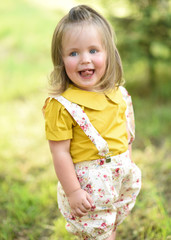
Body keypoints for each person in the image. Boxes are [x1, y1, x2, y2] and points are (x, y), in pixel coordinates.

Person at [43, 5, 141, 240]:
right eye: (73, 53)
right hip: (88, 186)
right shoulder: (63, 106)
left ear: (108, 53)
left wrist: (127, 163)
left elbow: (124, 134)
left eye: (94, 50)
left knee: (112, 223)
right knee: (97, 233)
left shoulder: (118, 94)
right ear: (61, 60)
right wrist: (73, 191)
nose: (84, 60)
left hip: (119, 177)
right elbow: (60, 153)